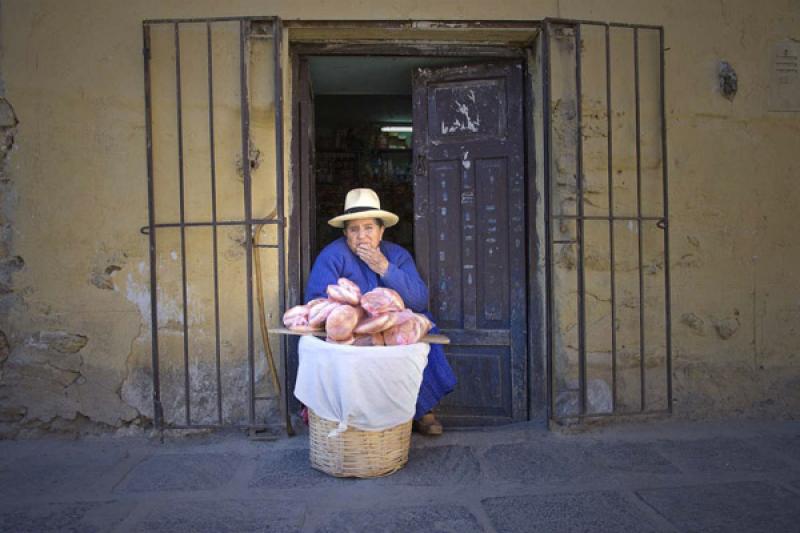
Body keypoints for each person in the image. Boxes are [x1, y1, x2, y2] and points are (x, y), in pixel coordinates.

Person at [305, 188, 457, 435]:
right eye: (354, 230)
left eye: (368, 228)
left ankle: (424, 408)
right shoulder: (332, 256)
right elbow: (316, 302)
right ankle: (356, 416)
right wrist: (353, 315)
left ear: (381, 231)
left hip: (395, 329)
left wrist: (385, 268)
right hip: (354, 331)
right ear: (345, 233)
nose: (361, 236)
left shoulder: (396, 255)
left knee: (425, 323)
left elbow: (419, 300)